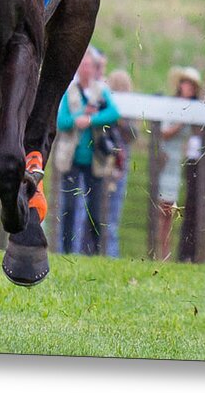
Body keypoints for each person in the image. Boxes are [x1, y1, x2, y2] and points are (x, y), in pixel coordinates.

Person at [57, 48, 120, 255]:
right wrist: (79, 118)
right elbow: (61, 121)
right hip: (72, 158)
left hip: (95, 159)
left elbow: (113, 113)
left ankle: (94, 251)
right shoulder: (70, 91)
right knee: (69, 206)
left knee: (94, 209)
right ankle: (65, 250)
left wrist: (92, 120)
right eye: (82, 65)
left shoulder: (100, 91)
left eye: (89, 65)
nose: (86, 69)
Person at [157, 66, 201, 260]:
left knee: (171, 212)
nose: (188, 87)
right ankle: (161, 252)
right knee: (163, 210)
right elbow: (164, 133)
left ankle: (166, 252)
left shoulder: (193, 109)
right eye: (185, 83)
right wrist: (181, 124)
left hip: (178, 164)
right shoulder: (172, 106)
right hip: (167, 162)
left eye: (191, 84)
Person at [105, 69, 136, 258]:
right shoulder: (107, 109)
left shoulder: (128, 115)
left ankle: (110, 254)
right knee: (111, 217)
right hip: (111, 166)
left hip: (117, 167)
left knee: (110, 217)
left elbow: (132, 136)